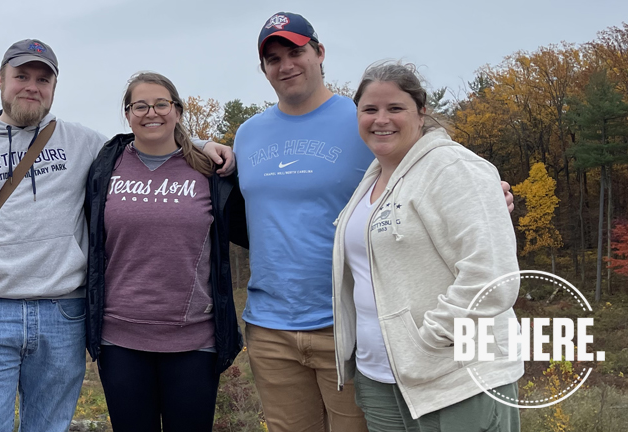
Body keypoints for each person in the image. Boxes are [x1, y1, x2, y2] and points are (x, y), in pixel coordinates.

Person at [0, 40, 234, 432]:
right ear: (1, 80)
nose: (32, 86)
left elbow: (146, 142)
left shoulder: (81, 142)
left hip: (63, 314)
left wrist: (205, 146)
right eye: (22, 76)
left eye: (43, 78)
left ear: (54, 86)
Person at [233, 12, 514, 432]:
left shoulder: (363, 120)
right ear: (263, 68)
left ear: (320, 52)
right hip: (272, 327)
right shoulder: (248, 134)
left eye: (295, 51)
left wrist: (491, 193)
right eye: (273, 58)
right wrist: (201, 144)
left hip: (344, 328)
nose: (286, 64)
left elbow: (438, 170)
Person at [332, 62, 523, 432]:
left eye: (395, 108)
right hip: (382, 379)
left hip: (458, 376)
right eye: (369, 110)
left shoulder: (452, 167)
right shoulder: (373, 180)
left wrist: (427, 339)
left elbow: (492, 276)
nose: (380, 119)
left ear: (421, 112)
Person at [83, 72, 246, 432]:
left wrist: (204, 143)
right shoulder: (105, 167)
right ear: (128, 114)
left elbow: (246, 231)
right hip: (120, 337)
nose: (150, 112)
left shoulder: (210, 170)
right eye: (139, 105)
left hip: (193, 337)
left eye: (161, 104)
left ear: (177, 110)